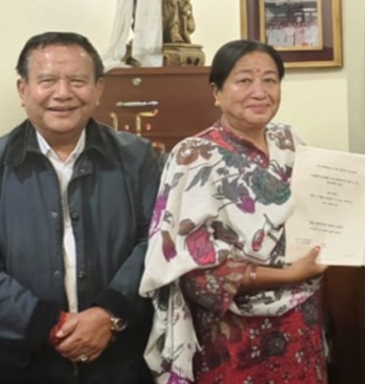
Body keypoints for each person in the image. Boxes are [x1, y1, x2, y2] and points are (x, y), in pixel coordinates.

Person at [0, 32, 160, 383]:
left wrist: (109, 315)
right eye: (47, 81)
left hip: (120, 364)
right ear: (23, 90)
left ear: (99, 89)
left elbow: (158, 245)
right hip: (18, 369)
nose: (63, 93)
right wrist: (51, 326)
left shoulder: (138, 158)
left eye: (78, 81)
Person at [139, 40, 328, 384]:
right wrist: (288, 274)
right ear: (217, 92)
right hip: (231, 336)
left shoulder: (290, 143)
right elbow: (191, 270)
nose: (260, 92)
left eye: (270, 80)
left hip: (300, 322)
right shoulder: (194, 157)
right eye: (244, 80)